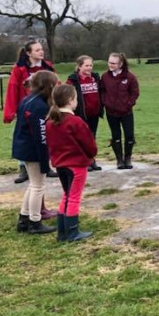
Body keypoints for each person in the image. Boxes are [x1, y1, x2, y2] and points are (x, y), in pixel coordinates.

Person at [45, 84, 98, 242]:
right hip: (76, 166)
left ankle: (62, 232)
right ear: (70, 100)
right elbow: (89, 144)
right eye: (75, 98)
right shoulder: (75, 121)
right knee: (74, 197)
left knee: (66, 195)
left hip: (60, 164)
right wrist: (91, 155)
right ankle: (73, 232)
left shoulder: (50, 121)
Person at [3, 39, 56, 188]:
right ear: (28, 53)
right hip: (26, 108)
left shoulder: (47, 66)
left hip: (44, 108)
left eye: (42, 49)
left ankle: (47, 164)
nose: (41, 52)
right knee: (26, 137)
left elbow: (56, 84)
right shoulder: (19, 68)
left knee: (44, 135)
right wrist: (10, 111)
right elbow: (13, 88)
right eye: (37, 50)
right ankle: (24, 168)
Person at [11, 70, 58, 235]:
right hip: (32, 151)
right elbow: (40, 135)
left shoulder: (28, 100)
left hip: (24, 147)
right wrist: (45, 159)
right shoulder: (39, 106)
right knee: (38, 186)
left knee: (33, 185)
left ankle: (24, 219)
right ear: (49, 85)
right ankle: (35, 222)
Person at [100, 52, 139, 170]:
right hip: (111, 112)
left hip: (126, 112)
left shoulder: (130, 77)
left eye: (113, 63)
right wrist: (106, 102)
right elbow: (102, 91)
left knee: (129, 135)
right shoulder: (105, 77)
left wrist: (128, 104)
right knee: (115, 135)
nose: (110, 65)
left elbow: (135, 93)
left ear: (120, 64)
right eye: (109, 62)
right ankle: (119, 160)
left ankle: (128, 158)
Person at [67, 55, 104, 171]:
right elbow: (67, 94)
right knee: (82, 139)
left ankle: (92, 160)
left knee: (92, 138)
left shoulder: (95, 77)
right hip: (81, 114)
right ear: (79, 66)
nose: (89, 68)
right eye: (86, 65)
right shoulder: (73, 80)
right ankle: (83, 161)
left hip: (94, 114)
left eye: (91, 65)